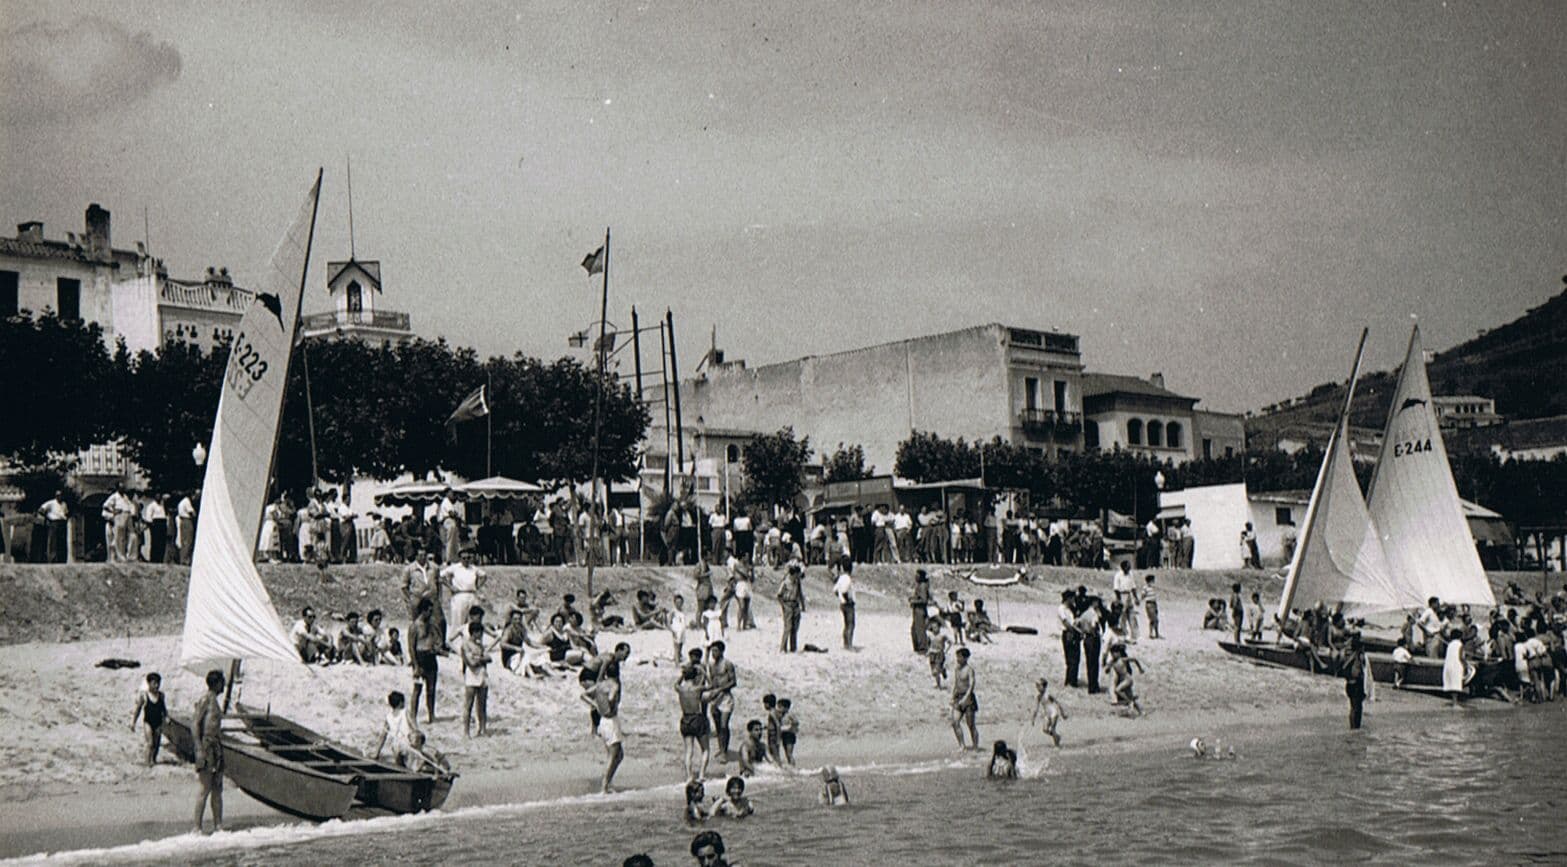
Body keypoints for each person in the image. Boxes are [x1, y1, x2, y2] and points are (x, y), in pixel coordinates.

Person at [192, 669, 225, 834]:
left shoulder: (215, 701)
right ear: (217, 683)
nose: (224, 684)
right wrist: (198, 749)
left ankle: (218, 826)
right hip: (206, 745)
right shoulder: (205, 699)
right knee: (204, 788)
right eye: (222, 681)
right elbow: (195, 724)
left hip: (216, 746)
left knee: (218, 787)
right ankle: (197, 827)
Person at [585, 674, 624, 793]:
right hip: (611, 721)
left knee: (619, 755)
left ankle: (607, 781)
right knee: (613, 756)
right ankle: (605, 785)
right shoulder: (613, 685)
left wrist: (596, 705)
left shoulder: (599, 685)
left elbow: (584, 695)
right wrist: (612, 700)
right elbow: (611, 698)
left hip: (603, 721)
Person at [677, 664, 714, 782]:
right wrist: (704, 673)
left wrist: (682, 675)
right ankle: (702, 775)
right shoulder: (698, 688)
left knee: (689, 750)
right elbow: (712, 685)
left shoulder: (680, 689)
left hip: (685, 718)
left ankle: (689, 776)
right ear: (695, 676)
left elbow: (676, 683)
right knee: (705, 749)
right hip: (697, 718)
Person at [442, 548, 486, 644]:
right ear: (460, 558)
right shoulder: (455, 567)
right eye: (464, 558)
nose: (466, 560)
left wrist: (477, 587)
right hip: (459, 595)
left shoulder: (473, 568)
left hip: (472, 594)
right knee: (458, 620)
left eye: (468, 558)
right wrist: (451, 587)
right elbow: (441, 576)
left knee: (474, 620)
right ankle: (455, 642)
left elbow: (484, 575)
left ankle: (474, 641)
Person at [410, 598, 441, 725]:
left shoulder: (432, 624)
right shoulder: (415, 626)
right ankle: (413, 716)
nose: (430, 613)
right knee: (417, 689)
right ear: (423, 611)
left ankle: (431, 715)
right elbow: (411, 647)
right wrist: (415, 665)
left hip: (430, 657)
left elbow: (439, 639)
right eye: (429, 611)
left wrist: (437, 647)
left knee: (431, 689)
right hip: (420, 657)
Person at [706, 641, 738, 760]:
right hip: (715, 698)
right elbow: (713, 681)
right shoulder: (711, 665)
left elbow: (733, 682)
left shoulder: (728, 664)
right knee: (718, 726)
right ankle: (721, 748)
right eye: (712, 651)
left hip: (725, 698)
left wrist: (719, 690)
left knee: (724, 725)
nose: (713, 653)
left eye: (715, 651)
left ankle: (724, 751)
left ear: (721, 651)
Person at [460, 622, 490, 737]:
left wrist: (479, 658)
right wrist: (481, 659)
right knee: (469, 704)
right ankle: (466, 732)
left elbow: (489, 658)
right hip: (472, 675)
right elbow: (471, 663)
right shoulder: (465, 644)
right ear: (475, 632)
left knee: (482, 704)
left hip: (482, 674)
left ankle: (482, 729)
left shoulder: (480, 645)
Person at [131, 672, 167, 767]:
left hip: (158, 722)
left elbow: (163, 708)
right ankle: (147, 762)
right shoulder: (144, 696)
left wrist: (167, 717)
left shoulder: (161, 696)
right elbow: (138, 709)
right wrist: (133, 722)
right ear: (149, 683)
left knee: (156, 743)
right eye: (154, 683)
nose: (157, 685)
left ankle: (153, 760)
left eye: (158, 683)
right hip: (148, 722)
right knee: (150, 743)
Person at [373, 690, 417, 764]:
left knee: (400, 764)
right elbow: (415, 728)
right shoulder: (405, 712)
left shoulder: (388, 717)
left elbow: (383, 736)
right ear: (401, 703)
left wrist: (376, 753)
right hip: (407, 746)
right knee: (411, 765)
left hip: (396, 747)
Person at [950, 647, 979, 750]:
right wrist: (953, 696)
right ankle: (962, 745)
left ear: (965, 658)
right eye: (957, 656)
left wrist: (966, 698)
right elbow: (956, 684)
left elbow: (971, 685)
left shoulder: (969, 670)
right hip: (958, 697)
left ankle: (975, 746)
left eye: (959, 657)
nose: (957, 659)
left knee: (970, 725)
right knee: (954, 722)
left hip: (968, 698)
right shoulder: (957, 669)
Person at [1107, 643, 1144, 715]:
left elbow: (1134, 659)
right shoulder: (1112, 662)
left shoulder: (1122, 660)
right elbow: (1107, 669)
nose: (1113, 655)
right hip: (1123, 680)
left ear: (1119, 653)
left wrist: (1140, 669)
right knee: (1130, 696)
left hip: (1128, 679)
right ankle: (1141, 711)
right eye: (1112, 654)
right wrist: (1108, 668)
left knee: (1117, 690)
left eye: (1114, 653)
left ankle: (1128, 701)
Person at [1030, 678, 1068, 747]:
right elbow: (1036, 709)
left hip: (1054, 713)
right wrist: (1033, 718)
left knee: (1053, 729)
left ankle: (1057, 745)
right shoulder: (1039, 697)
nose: (1037, 688)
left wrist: (1063, 714)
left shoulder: (1048, 695)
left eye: (1039, 686)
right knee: (1045, 729)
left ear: (1044, 687)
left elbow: (1057, 703)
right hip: (1047, 714)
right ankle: (1057, 737)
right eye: (1037, 686)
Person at [1343, 636, 1370, 729]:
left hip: (1350, 683)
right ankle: (1355, 728)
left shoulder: (1349, 656)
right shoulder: (1358, 657)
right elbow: (1362, 672)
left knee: (1354, 707)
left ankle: (1354, 727)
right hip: (1356, 684)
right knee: (1357, 707)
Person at [777, 563, 804, 653]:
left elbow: (800, 593)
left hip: (795, 605)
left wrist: (803, 606)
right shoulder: (786, 582)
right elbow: (779, 595)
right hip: (788, 604)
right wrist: (783, 606)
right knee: (788, 627)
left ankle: (793, 647)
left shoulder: (797, 582)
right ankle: (782, 647)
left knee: (795, 627)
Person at [1058, 589, 1082, 687]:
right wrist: (1077, 631)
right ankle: (1070, 681)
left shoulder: (1071, 608)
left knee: (1075, 657)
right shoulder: (1062, 608)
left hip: (1073, 632)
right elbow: (1066, 623)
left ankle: (1072, 679)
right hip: (1068, 633)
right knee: (1071, 657)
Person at [39, 490, 69, 563]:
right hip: (54, 523)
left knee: (62, 542)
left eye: (61, 495)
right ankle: (53, 559)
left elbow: (66, 513)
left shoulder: (64, 504)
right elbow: (41, 509)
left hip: (62, 523)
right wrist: (48, 517)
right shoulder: (51, 503)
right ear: (56, 496)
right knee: (53, 542)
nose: (60, 497)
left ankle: (61, 559)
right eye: (58, 496)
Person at [834, 560, 856, 649]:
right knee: (851, 624)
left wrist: (840, 598)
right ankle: (849, 645)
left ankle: (845, 643)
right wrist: (847, 598)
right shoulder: (848, 579)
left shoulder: (841, 578)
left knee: (846, 624)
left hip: (842, 604)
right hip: (848, 604)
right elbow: (845, 590)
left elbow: (835, 590)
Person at [1442, 628, 1466, 708]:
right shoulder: (1460, 644)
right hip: (1456, 665)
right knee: (1456, 684)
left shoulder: (1450, 644)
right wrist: (1465, 665)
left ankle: (1454, 701)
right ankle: (1455, 703)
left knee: (1451, 683)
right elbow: (1461, 657)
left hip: (1449, 665)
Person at [910, 570, 932, 653]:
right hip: (917, 609)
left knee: (919, 629)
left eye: (917, 575)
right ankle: (918, 647)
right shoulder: (920, 585)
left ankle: (922, 648)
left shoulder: (922, 586)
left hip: (920, 609)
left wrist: (914, 601)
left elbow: (924, 600)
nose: (915, 577)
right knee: (915, 629)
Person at [926, 618, 950, 687]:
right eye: (933, 628)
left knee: (936, 671)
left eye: (936, 627)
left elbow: (950, 642)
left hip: (940, 654)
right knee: (933, 671)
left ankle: (938, 684)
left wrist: (946, 650)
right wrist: (928, 651)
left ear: (939, 627)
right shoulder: (930, 635)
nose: (934, 629)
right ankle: (942, 670)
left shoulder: (942, 636)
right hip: (932, 654)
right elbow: (928, 644)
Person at [777, 698, 799, 766]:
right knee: (786, 753)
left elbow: (796, 722)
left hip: (789, 735)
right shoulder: (781, 715)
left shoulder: (789, 714)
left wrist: (791, 728)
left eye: (780, 707)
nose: (779, 709)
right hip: (784, 735)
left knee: (789, 753)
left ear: (786, 708)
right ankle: (790, 765)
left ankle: (793, 766)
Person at [1143, 575, 1161, 640]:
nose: (1153, 582)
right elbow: (1143, 595)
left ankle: (1155, 633)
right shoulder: (1145, 588)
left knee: (1154, 619)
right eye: (1152, 580)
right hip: (1149, 604)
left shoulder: (1153, 588)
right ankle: (1151, 633)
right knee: (1154, 619)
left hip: (1154, 604)